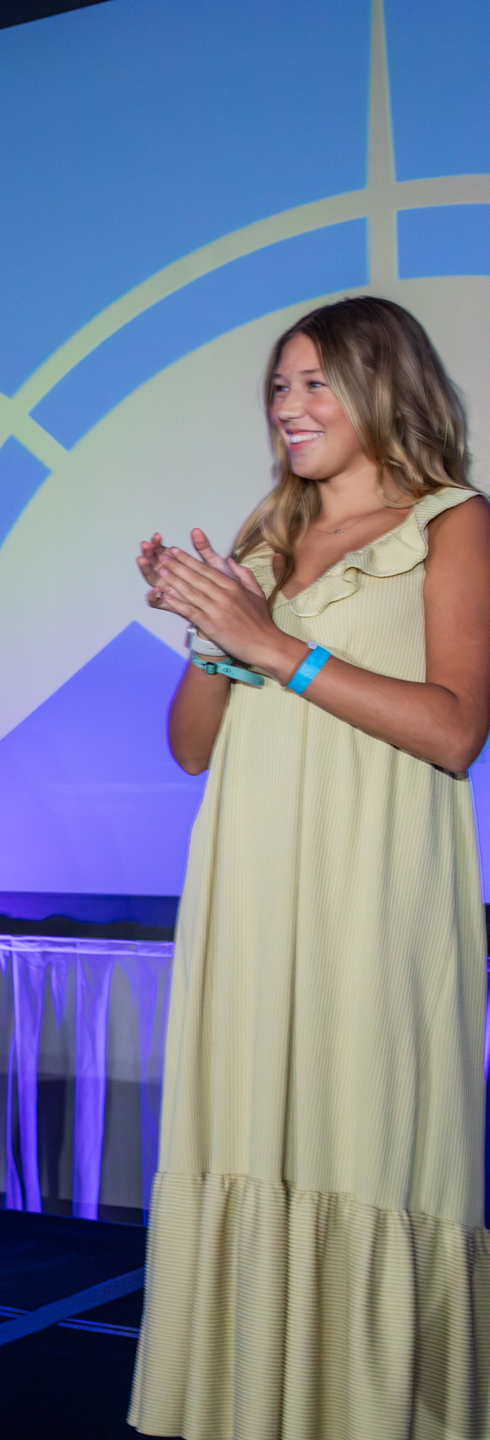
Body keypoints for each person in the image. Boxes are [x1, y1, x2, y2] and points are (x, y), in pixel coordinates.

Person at [130, 295, 490, 1439]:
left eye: (315, 382)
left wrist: (275, 644)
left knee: (366, 1133)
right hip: (251, 891)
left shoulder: (453, 523)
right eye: (279, 387)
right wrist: (213, 626)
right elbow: (191, 748)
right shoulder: (265, 546)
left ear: (385, 388)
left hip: (371, 893)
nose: (289, 406)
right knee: (252, 1134)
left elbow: (455, 731)